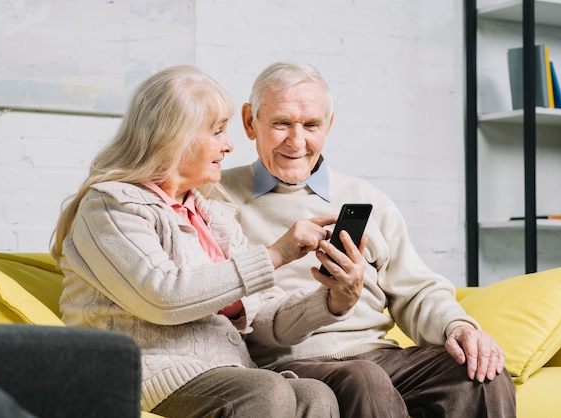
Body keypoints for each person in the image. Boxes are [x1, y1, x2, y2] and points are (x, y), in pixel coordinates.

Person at [50, 65, 361, 418]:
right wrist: (275, 254)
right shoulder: (109, 208)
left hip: (225, 373)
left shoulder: (214, 215)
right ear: (173, 138)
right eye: (217, 132)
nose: (229, 145)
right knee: (268, 392)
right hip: (140, 373)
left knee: (314, 396)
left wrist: (334, 300)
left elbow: (266, 320)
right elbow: (163, 296)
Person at [216, 61, 517, 418]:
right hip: (291, 365)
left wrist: (459, 327)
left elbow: (417, 290)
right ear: (251, 122)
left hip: (381, 356)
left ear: (328, 125)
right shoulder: (215, 197)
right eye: (281, 123)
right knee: (364, 378)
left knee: (481, 376)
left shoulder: (366, 197)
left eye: (311, 125)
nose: (297, 141)